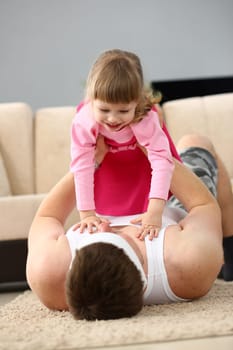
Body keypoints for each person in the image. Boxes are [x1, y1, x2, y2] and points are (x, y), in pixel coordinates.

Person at [26, 133, 233, 320]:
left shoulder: (48, 275)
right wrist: (155, 154)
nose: (106, 225)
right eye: (123, 237)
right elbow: (203, 205)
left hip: (107, 197)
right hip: (173, 206)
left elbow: (48, 216)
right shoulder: (189, 263)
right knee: (195, 141)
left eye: (94, 235)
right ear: (143, 269)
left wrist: (91, 163)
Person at [70, 49, 174, 239]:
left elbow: (162, 162)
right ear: (91, 99)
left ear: (138, 102)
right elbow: (82, 167)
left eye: (123, 110)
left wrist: (155, 212)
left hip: (143, 171)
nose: (112, 119)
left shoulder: (146, 120)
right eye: (104, 109)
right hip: (112, 175)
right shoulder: (84, 122)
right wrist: (87, 214)